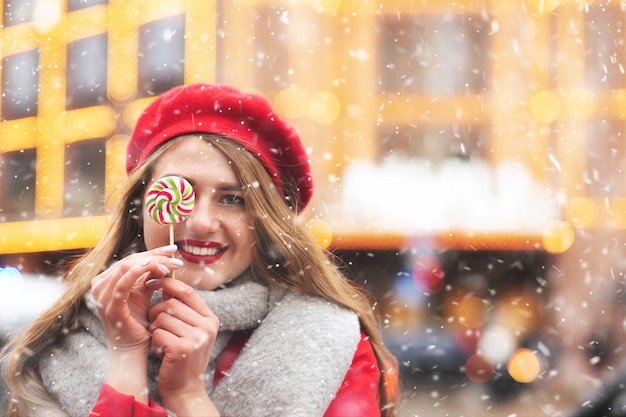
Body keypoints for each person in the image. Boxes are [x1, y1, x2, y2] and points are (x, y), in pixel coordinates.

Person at [1, 83, 400, 417]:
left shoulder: (324, 339)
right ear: (141, 207)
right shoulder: (60, 341)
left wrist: (189, 396)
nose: (201, 221)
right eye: (181, 191)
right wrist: (126, 356)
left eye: (233, 199)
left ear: (265, 220)